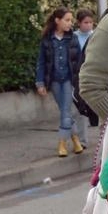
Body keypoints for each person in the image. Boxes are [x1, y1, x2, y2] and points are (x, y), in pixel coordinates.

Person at [36, 8, 86, 157]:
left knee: (65, 111)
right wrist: (40, 83)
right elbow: (42, 62)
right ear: (57, 21)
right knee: (65, 112)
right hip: (55, 81)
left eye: (71, 20)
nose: (70, 23)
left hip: (69, 80)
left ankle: (62, 143)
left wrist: (80, 79)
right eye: (67, 20)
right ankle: (75, 139)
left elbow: (79, 61)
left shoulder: (72, 39)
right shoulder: (47, 40)